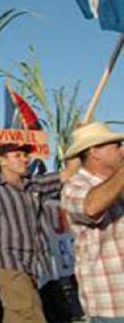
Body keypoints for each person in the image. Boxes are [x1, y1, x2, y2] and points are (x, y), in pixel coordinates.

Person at [0, 143, 76, 323]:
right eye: (17, 155)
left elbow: (70, 173)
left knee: (16, 315)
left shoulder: (34, 185)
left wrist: (77, 140)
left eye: (25, 155)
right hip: (8, 262)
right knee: (30, 313)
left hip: (33, 263)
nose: (25, 159)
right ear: (2, 161)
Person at [60, 122, 124, 321]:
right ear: (95, 152)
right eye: (117, 145)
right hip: (112, 305)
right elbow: (91, 207)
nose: (122, 150)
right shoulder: (74, 187)